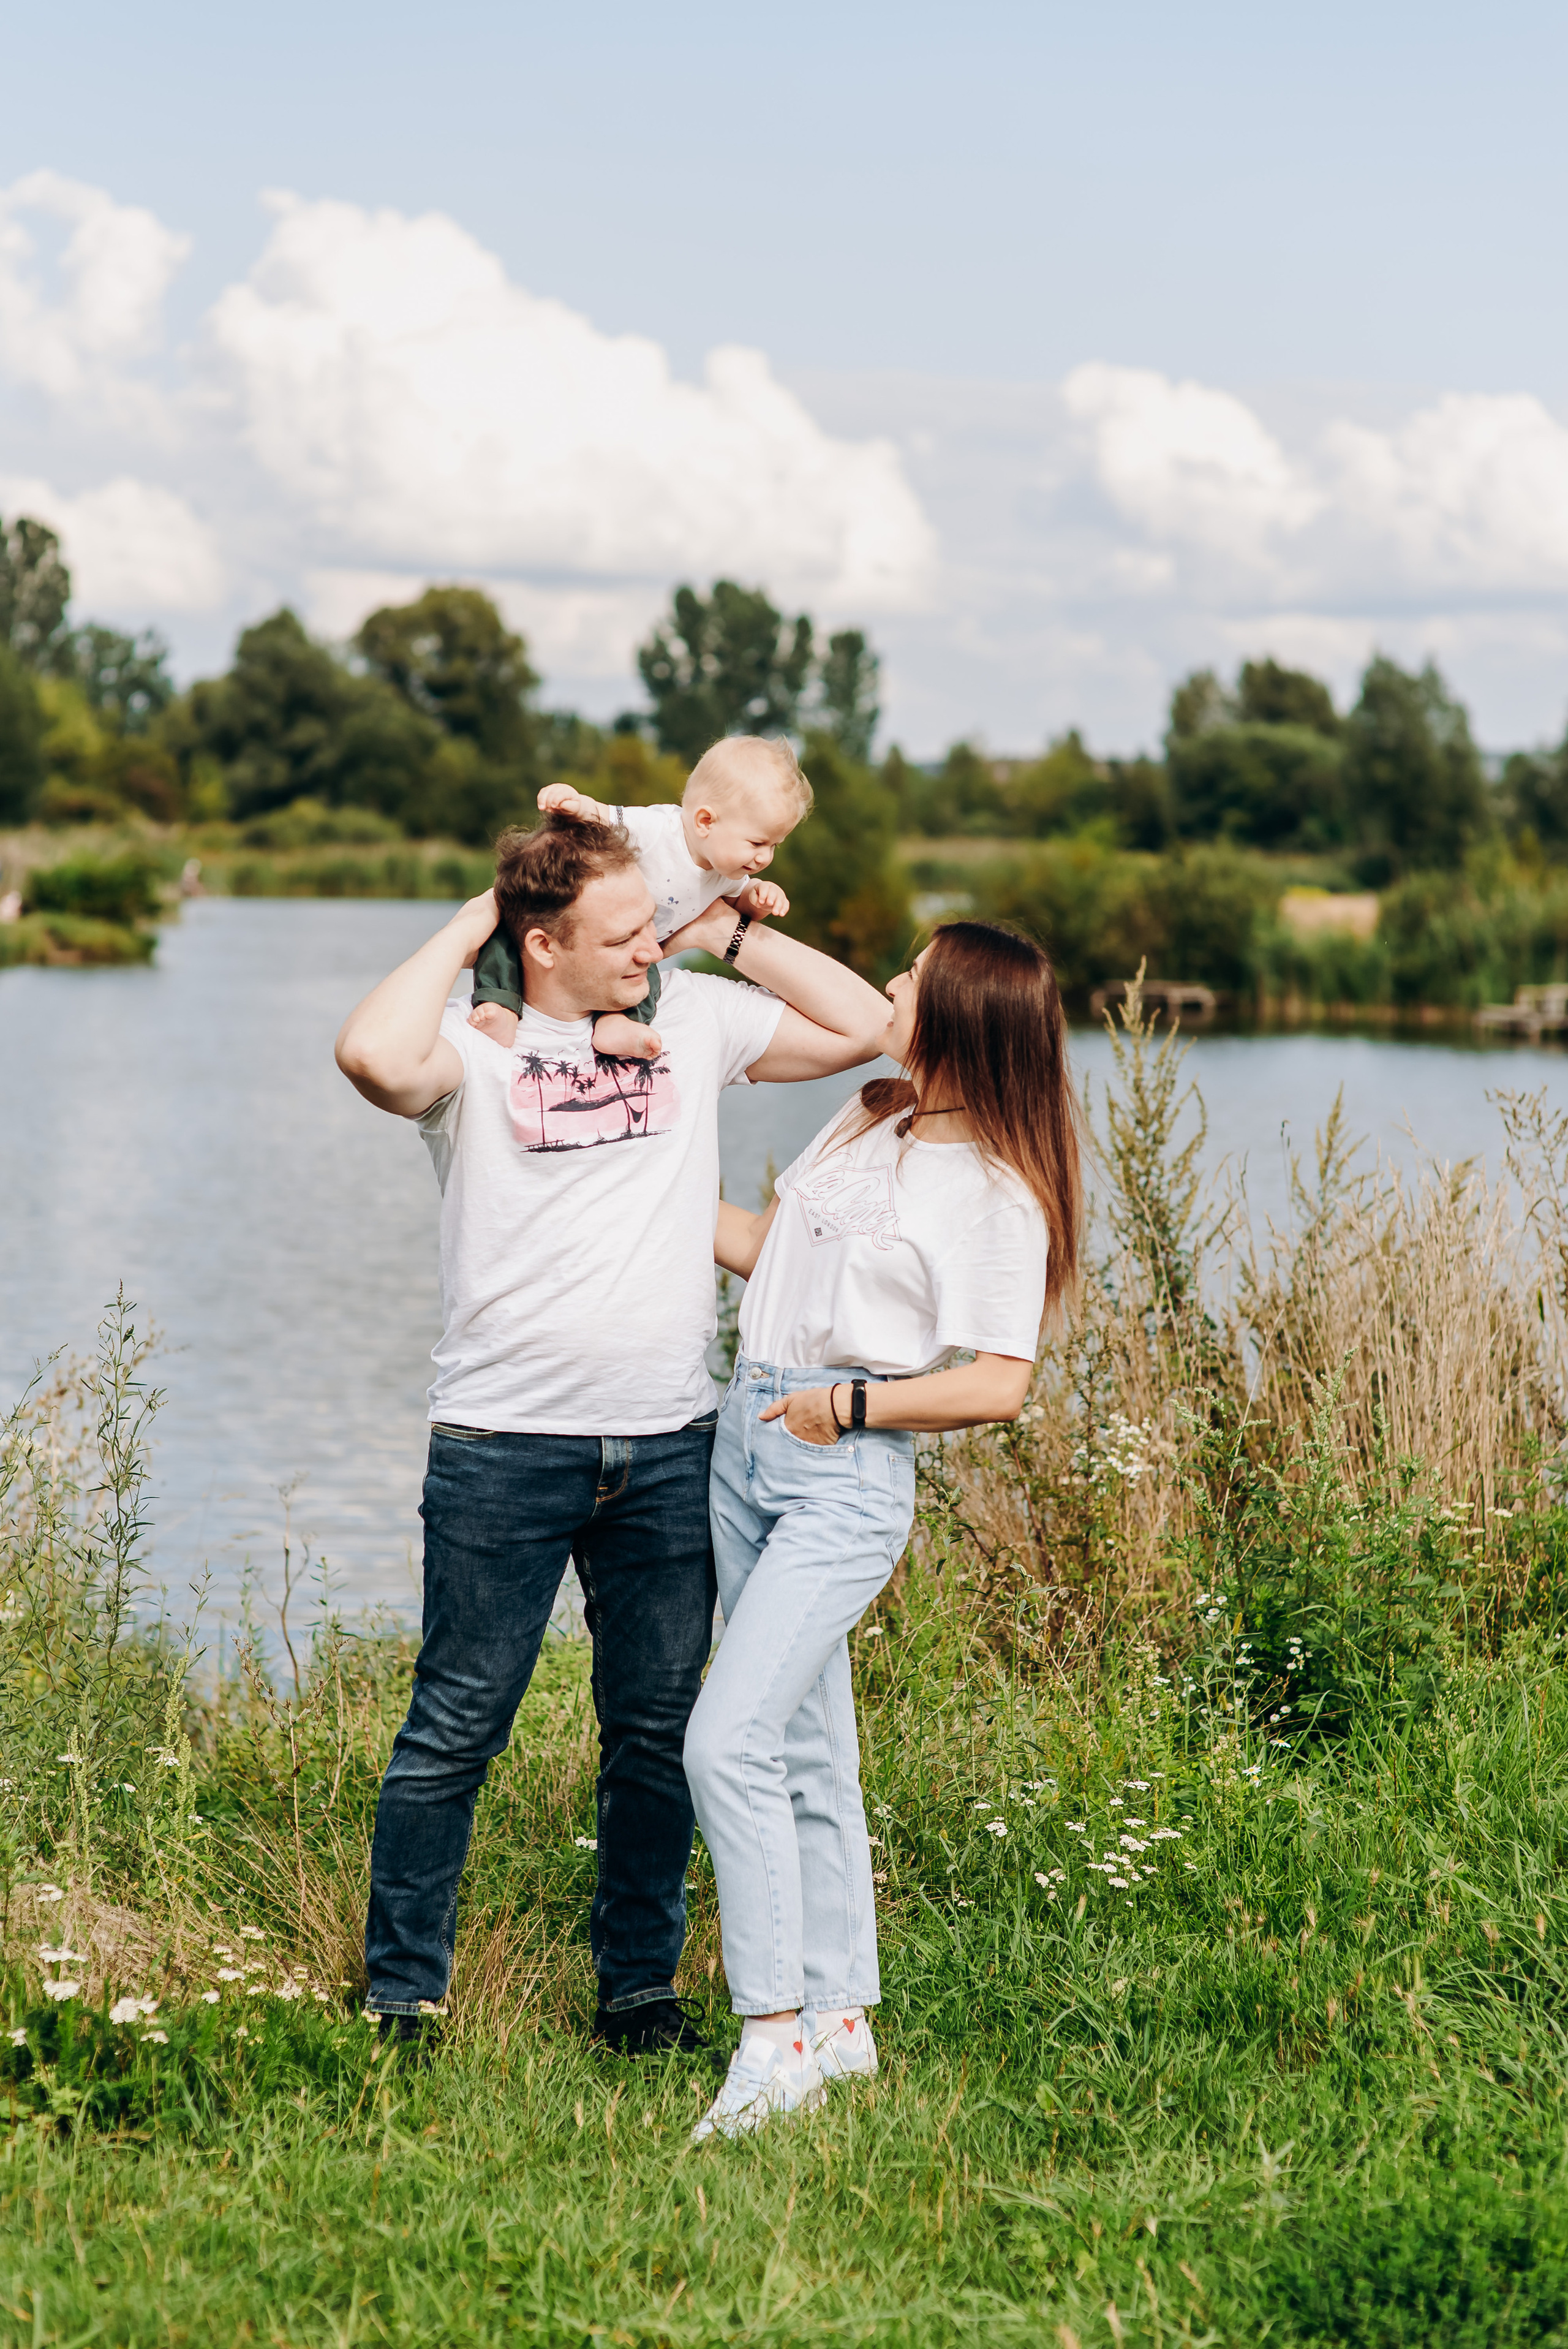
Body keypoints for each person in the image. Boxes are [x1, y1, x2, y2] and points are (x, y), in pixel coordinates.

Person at [333, 808, 891, 2057]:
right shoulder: (469, 1058)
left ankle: (637, 1991)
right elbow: (367, 1054)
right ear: (541, 945)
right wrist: (482, 909)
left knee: (652, 1733)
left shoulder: (687, 1016)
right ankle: (402, 1998)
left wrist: (724, 936)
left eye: (654, 930)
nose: (649, 952)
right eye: (623, 935)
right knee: (455, 1725)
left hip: (667, 1443)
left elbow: (867, 1028)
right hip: (499, 1446)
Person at [680, 918, 1083, 2141]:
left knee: (724, 1743)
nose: (887, 993)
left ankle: (771, 2040)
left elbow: (997, 1382)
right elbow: (772, 1262)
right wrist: (635, 1177)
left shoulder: (997, 1196)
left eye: (907, 984)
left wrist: (846, 1405)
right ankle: (843, 2025)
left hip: (839, 1469)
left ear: (959, 1022)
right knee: (807, 1752)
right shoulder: (867, 1118)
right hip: (744, 1440)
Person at [467, 735, 810, 1061]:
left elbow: (740, 908)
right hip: (592, 935)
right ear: (705, 821)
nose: (765, 858)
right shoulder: (661, 829)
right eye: (757, 843)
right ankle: (501, 1005)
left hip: (635, 955)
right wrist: (575, 803)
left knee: (648, 982)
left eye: (774, 846)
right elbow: (608, 816)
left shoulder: (728, 873)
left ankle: (616, 1025)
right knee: (505, 943)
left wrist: (759, 899)